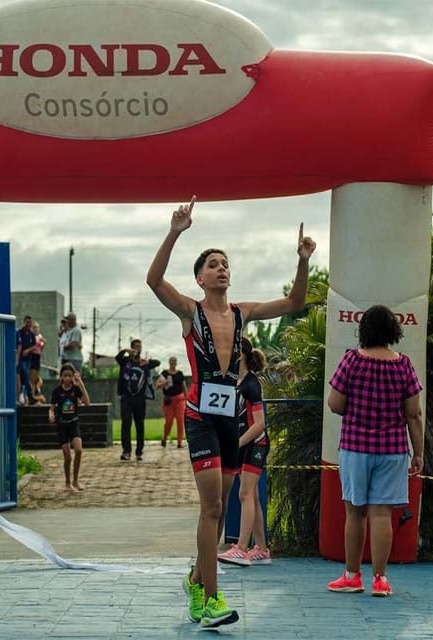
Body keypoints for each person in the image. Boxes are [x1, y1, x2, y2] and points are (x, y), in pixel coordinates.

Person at [146, 195, 315, 628]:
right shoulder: (190, 311)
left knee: (218, 511)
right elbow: (153, 280)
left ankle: (195, 578)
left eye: (225, 264)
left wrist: (302, 261)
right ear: (200, 278)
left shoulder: (244, 314)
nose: (222, 268)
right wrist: (175, 231)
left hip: (230, 419)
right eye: (213, 265)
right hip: (201, 417)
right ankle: (208, 598)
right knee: (211, 508)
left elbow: (295, 303)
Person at [325, 304, 424, 598]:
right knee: (382, 514)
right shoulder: (404, 364)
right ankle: (380, 579)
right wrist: (418, 453)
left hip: (355, 447)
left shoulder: (351, 361)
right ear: (393, 331)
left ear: (364, 330)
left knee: (354, 513)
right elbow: (414, 414)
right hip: (393, 450)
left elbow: (335, 403)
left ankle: (352, 575)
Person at [218, 337, 272, 567]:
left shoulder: (251, 384)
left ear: (240, 354)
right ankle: (261, 549)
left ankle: (241, 548)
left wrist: (237, 443)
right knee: (254, 498)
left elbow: (259, 424)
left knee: (245, 494)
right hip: (243, 444)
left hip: (255, 444)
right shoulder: (235, 382)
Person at [116, 338, 160, 462]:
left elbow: (157, 362)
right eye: (135, 347)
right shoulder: (125, 361)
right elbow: (117, 358)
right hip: (126, 398)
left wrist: (147, 362)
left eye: (140, 347)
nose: (138, 349)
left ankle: (139, 452)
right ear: (131, 348)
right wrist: (125, 351)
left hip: (140, 399)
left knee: (139, 424)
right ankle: (126, 451)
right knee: (126, 424)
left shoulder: (143, 363)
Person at [49, 363, 91, 491]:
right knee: (67, 456)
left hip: (73, 423)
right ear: (61, 377)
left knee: (78, 450)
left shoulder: (75, 389)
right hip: (62, 425)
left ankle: (76, 481)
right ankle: (67, 482)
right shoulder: (57, 391)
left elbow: (87, 403)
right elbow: (51, 408)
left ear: (73, 376)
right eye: (65, 376)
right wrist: (51, 415)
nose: (67, 379)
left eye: (69, 376)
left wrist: (81, 384)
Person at [156, 356, 187, 448]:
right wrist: (164, 383)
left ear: (176, 362)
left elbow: (184, 386)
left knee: (180, 420)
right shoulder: (164, 373)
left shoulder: (180, 373)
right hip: (168, 400)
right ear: (169, 362)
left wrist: (186, 397)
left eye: (174, 361)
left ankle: (179, 442)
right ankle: (165, 438)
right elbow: (157, 385)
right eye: (171, 361)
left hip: (179, 399)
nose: (173, 362)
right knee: (169, 421)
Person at [16, 316, 38, 405]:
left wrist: (28, 350)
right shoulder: (20, 332)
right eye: (27, 322)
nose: (29, 324)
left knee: (25, 376)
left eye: (30, 323)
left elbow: (34, 346)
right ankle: (27, 396)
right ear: (24, 322)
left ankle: (27, 396)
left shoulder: (31, 334)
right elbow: (19, 343)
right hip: (20, 358)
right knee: (22, 377)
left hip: (27, 359)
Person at [30, 321, 47, 393]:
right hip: (32, 356)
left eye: (37, 327)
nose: (35, 329)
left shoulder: (39, 336)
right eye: (34, 327)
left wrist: (44, 342)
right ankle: (31, 394)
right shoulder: (30, 337)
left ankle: (33, 393)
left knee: (35, 378)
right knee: (31, 378)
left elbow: (41, 349)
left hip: (37, 356)